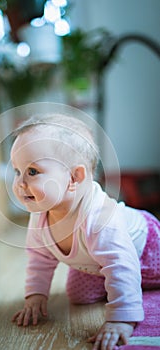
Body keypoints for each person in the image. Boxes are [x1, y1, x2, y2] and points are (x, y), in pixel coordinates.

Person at [10, 113, 160, 350]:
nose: (19, 183)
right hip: (95, 264)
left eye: (32, 172)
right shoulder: (40, 216)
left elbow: (120, 263)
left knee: (125, 276)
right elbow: (40, 259)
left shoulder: (100, 218)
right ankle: (122, 284)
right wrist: (36, 295)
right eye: (16, 171)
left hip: (148, 251)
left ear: (73, 177)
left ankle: (130, 289)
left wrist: (121, 318)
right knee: (78, 296)